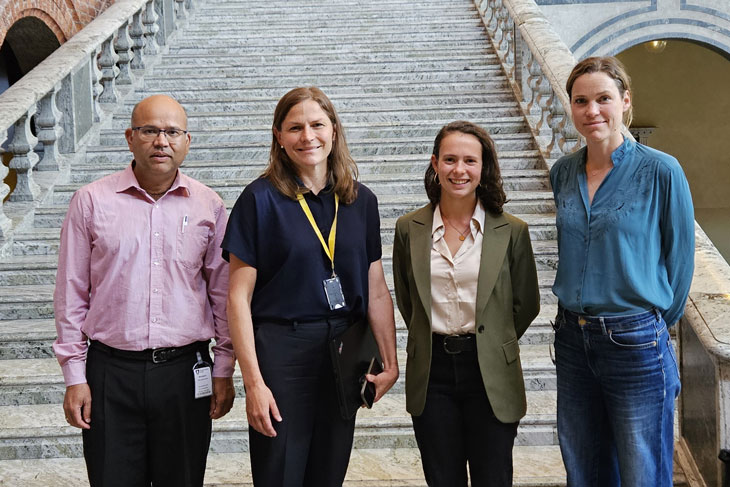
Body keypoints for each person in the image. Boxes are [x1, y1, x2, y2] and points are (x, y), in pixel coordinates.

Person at [53, 94, 236, 487]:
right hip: (109, 374)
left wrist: (224, 368)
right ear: (129, 137)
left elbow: (222, 294)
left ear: (187, 141)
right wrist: (74, 375)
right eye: (150, 130)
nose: (161, 141)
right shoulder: (90, 202)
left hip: (186, 373)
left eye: (172, 132)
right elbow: (71, 294)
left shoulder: (210, 206)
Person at [223, 86, 399, 487]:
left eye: (317, 124)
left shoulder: (361, 201)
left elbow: (375, 288)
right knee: (280, 472)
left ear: (333, 130)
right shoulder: (258, 199)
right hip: (283, 350)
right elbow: (237, 297)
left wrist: (390, 361)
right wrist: (252, 382)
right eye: (295, 127)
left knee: (329, 471)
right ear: (279, 137)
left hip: (345, 350)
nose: (308, 136)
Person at [550, 56, 695, 486]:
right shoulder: (563, 173)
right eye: (581, 101)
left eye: (603, 99)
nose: (592, 110)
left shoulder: (661, 170)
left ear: (625, 101)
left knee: (641, 472)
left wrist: (649, 325)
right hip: (573, 339)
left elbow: (681, 262)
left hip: (634, 340)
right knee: (584, 468)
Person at [392, 121, 540, 486]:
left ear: (483, 167)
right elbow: (409, 301)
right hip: (433, 371)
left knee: (493, 477)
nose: (459, 170)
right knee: (442, 478)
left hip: (490, 368)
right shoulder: (408, 228)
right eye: (450, 159)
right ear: (435, 163)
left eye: (470, 161)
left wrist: (493, 338)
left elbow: (527, 303)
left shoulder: (512, 230)